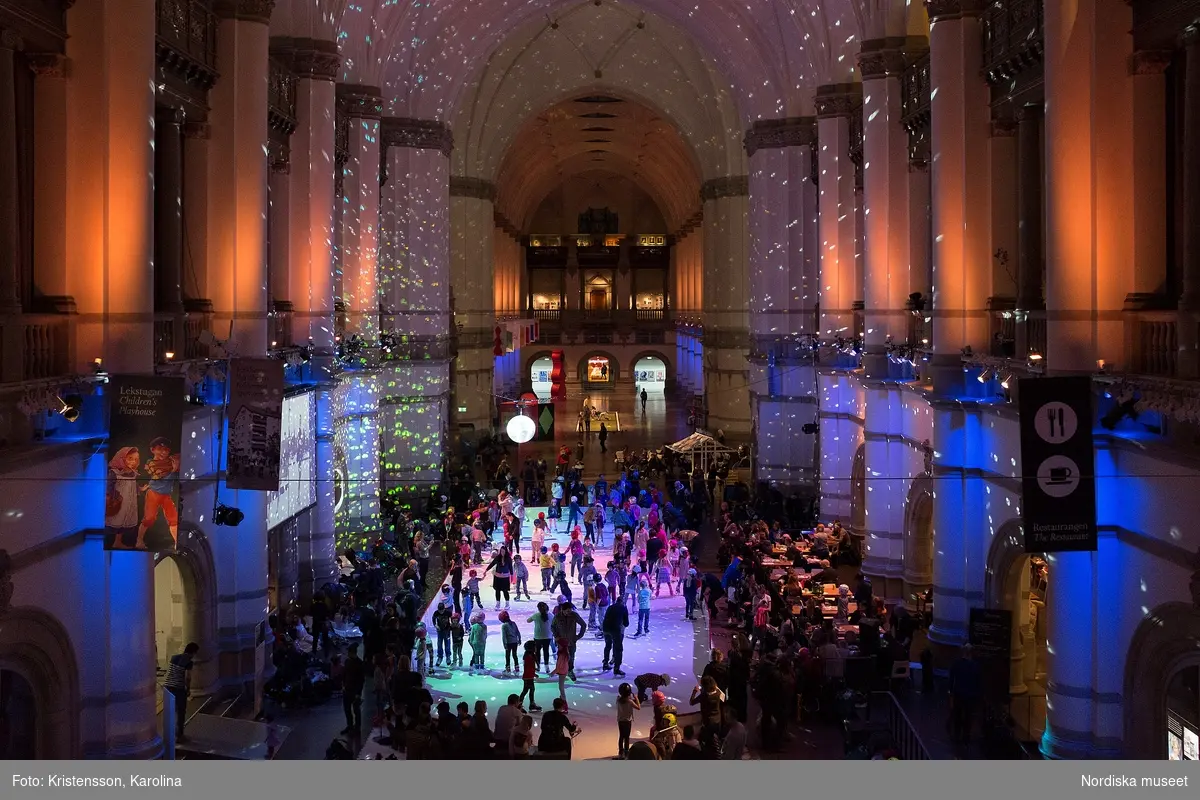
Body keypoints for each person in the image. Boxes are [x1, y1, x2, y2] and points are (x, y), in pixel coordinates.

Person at [163, 642, 199, 741]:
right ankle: (179, 735)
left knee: (169, 711)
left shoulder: (174, 657)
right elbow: (188, 677)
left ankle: (167, 734)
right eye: (195, 653)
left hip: (167, 687)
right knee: (181, 712)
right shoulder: (189, 661)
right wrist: (188, 689)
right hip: (178, 689)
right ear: (193, 652)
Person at [949, 644, 983, 744]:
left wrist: (950, 691)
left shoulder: (956, 663)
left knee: (957, 715)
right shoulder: (976, 666)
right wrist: (978, 695)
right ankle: (966, 736)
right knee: (968, 717)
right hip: (971, 695)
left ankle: (956, 735)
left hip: (958, 693)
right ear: (971, 653)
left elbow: (951, 679)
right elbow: (979, 682)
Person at [341, 643, 366, 736]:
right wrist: (343, 685)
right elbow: (344, 674)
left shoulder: (359, 664)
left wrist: (358, 693)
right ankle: (350, 725)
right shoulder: (348, 662)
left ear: (352, 652)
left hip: (355, 691)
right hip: (347, 689)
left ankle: (357, 728)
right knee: (347, 709)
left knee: (356, 710)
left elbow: (361, 680)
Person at [615, 682, 640, 759]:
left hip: (620, 721)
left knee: (621, 736)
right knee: (627, 737)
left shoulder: (618, 699)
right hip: (627, 722)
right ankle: (626, 752)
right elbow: (638, 707)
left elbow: (624, 700)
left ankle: (620, 752)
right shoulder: (630, 701)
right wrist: (636, 698)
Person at [527, 601, 553, 672]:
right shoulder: (551, 615)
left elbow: (528, 620)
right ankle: (547, 667)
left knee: (537, 652)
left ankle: (538, 666)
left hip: (538, 637)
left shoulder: (536, 615)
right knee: (546, 651)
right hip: (548, 636)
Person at [518, 641, 542, 711]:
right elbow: (528, 667)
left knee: (530, 690)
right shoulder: (528, 657)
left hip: (528, 676)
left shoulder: (530, 656)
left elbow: (530, 667)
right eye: (535, 646)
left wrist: (533, 674)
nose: (536, 648)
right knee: (526, 691)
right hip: (528, 677)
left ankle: (530, 704)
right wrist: (533, 674)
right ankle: (520, 705)